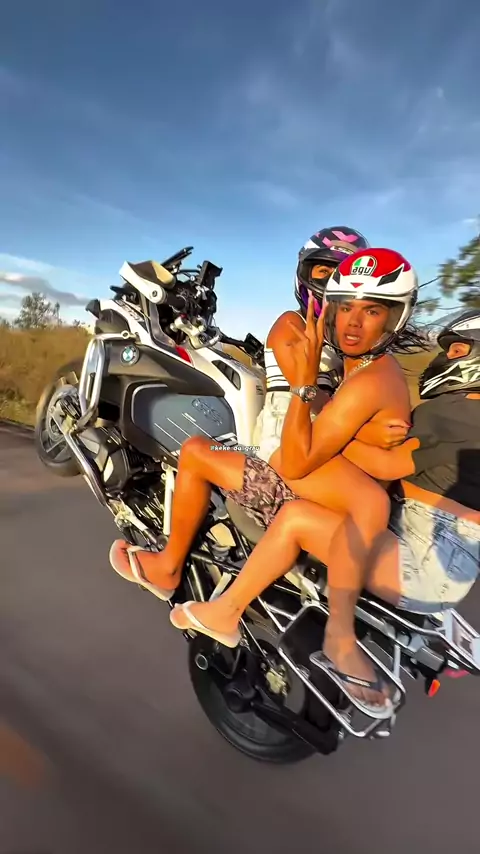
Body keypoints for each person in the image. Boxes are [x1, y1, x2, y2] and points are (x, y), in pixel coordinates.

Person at [109, 247, 420, 681]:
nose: (352, 321)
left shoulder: (364, 374)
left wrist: (309, 388)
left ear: (393, 317)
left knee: (196, 452)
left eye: (370, 310)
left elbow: (297, 449)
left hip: (303, 480)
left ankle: (169, 567)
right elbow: (338, 428)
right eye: (346, 305)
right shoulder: (347, 355)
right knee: (208, 449)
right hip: (327, 481)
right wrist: (361, 438)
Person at [166, 308, 480, 716]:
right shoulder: (453, 408)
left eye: (458, 350)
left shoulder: (458, 412)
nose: (446, 356)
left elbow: (386, 464)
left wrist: (340, 435)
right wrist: (354, 431)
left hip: (425, 560)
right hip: (445, 551)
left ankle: (228, 609)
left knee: (294, 513)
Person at [254, 226, 407, 462]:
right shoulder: (291, 323)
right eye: (324, 271)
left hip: (325, 437)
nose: (332, 281)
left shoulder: (344, 339)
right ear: (305, 273)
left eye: (340, 274)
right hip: (284, 441)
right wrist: (365, 432)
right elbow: (308, 392)